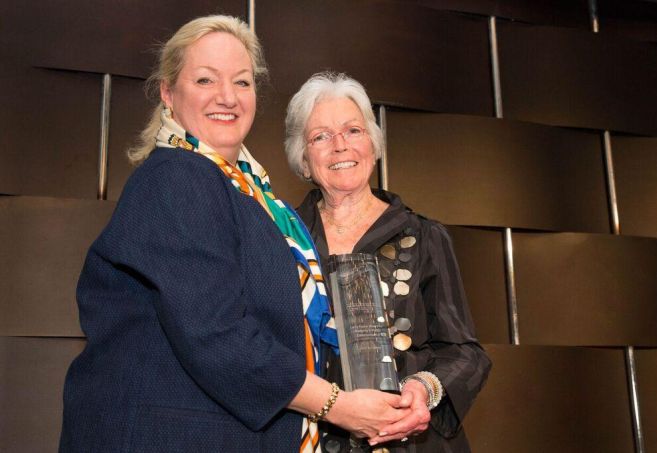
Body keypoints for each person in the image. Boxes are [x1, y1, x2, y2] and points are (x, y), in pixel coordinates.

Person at [59, 17, 420, 453]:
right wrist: (339, 407)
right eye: (205, 79)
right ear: (168, 93)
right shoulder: (178, 176)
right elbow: (217, 335)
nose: (227, 97)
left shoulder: (255, 198)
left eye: (242, 82)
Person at [284, 72, 492, 452]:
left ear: (374, 143)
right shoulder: (280, 241)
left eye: (353, 131)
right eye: (321, 137)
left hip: (411, 441)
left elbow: (465, 353)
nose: (340, 147)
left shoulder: (427, 236)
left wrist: (423, 389)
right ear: (303, 158)